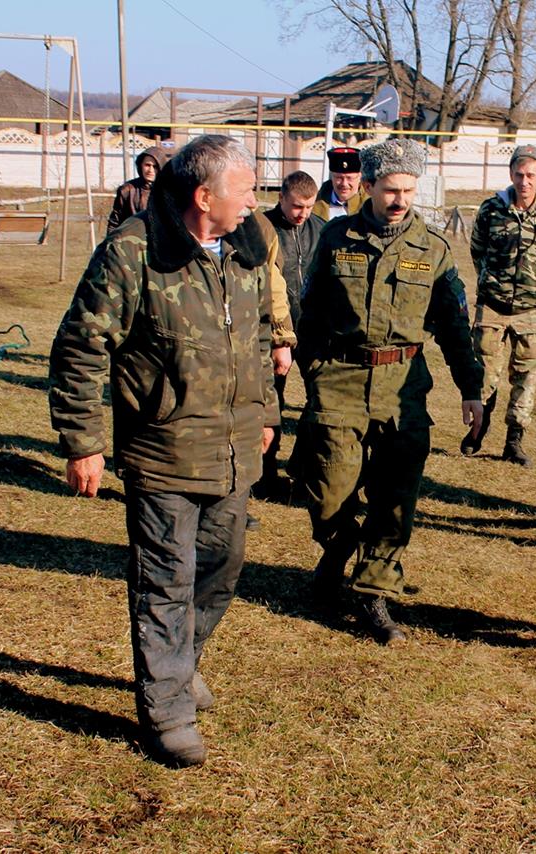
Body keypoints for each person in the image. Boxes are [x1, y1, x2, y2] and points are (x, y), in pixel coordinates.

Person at [48, 135, 284, 767]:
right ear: (204, 196)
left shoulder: (246, 246)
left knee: (222, 570)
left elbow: (260, 334)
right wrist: (82, 441)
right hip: (163, 451)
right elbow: (80, 347)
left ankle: (180, 662)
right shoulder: (133, 252)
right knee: (164, 582)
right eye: (246, 190)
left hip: (233, 450)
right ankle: (167, 707)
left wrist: (266, 411)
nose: (254, 201)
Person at [291, 138, 484, 645]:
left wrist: (471, 389)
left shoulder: (435, 249)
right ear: (369, 186)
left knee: (396, 496)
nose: (399, 200)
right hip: (341, 380)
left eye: (408, 190)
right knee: (326, 487)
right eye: (390, 190)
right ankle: (338, 546)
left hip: (403, 387)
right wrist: (313, 369)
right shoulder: (336, 238)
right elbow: (309, 311)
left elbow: (455, 327)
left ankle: (373, 593)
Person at [462, 144, 536, 466]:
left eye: (531, 175)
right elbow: (476, 249)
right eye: (519, 174)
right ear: (511, 174)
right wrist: (488, 281)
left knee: (525, 378)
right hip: (492, 307)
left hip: (531, 310)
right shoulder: (491, 210)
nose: (525, 181)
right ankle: (479, 428)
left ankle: (514, 441)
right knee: (484, 373)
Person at [256, 170, 325, 498]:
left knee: (322, 401)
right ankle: (265, 476)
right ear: (281, 198)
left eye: (309, 207)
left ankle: (305, 469)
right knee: (270, 405)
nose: (303, 214)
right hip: (274, 334)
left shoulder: (321, 230)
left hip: (313, 330)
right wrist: (275, 336)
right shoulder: (262, 229)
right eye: (297, 206)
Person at [106, 145, 172, 232]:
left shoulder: (168, 192)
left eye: (155, 166)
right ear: (140, 166)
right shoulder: (127, 190)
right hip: (132, 240)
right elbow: (115, 222)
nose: (150, 170)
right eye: (147, 165)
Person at [311, 146, 366, 221]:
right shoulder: (313, 204)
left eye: (350, 178)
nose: (344, 184)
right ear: (331, 177)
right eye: (338, 178)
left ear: (360, 177)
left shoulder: (371, 207)